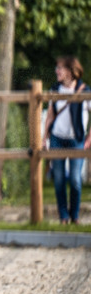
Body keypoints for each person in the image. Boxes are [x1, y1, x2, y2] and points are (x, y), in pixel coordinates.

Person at [42, 56, 90, 224]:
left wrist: (89, 140)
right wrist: (44, 138)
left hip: (77, 139)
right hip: (57, 138)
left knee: (76, 180)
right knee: (59, 179)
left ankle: (74, 215)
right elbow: (50, 116)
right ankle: (63, 216)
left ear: (71, 71)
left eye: (60, 68)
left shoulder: (85, 91)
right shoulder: (54, 90)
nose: (57, 71)